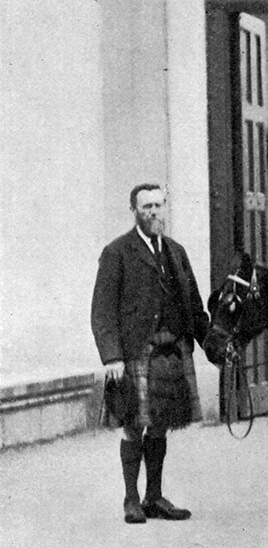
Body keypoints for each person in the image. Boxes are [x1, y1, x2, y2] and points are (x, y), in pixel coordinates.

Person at [92, 184, 210, 524]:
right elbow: (102, 310)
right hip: (134, 351)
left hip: (171, 349)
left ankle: (154, 497)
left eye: (159, 205)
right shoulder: (117, 252)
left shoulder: (175, 251)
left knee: (160, 425)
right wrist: (112, 357)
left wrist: (211, 345)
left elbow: (194, 305)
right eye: (147, 207)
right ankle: (131, 499)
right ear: (134, 211)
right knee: (133, 426)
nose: (154, 212)